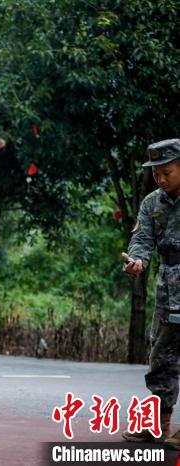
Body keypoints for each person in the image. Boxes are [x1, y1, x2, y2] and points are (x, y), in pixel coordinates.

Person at [122, 139, 180, 447]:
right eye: (156, 173)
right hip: (168, 288)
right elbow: (142, 239)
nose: (160, 179)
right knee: (161, 356)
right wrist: (138, 260)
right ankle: (159, 424)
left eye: (167, 172)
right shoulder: (152, 203)